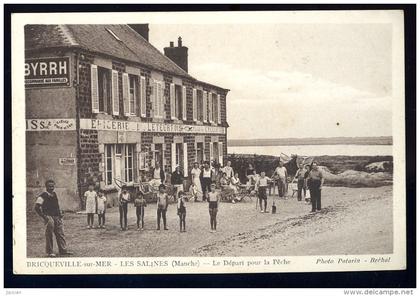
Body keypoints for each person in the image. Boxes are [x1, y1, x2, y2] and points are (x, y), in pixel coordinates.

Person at [34, 179, 72, 257]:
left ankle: (63, 250)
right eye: (49, 186)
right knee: (49, 235)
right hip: (49, 217)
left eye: (52, 186)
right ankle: (50, 252)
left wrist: (60, 213)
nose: (51, 188)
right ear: (46, 187)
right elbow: (37, 207)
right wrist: (44, 217)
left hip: (57, 216)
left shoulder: (54, 194)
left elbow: (56, 206)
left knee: (60, 234)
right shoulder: (43, 195)